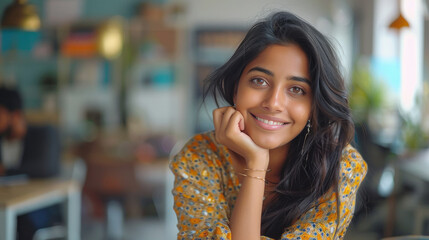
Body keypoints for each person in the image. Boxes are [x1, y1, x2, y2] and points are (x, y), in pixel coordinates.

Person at [170, 11, 367, 240]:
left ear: (314, 105)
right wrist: (257, 163)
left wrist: (255, 163)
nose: (273, 103)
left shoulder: (339, 166)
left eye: (296, 90)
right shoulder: (200, 157)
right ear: (236, 88)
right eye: (259, 81)